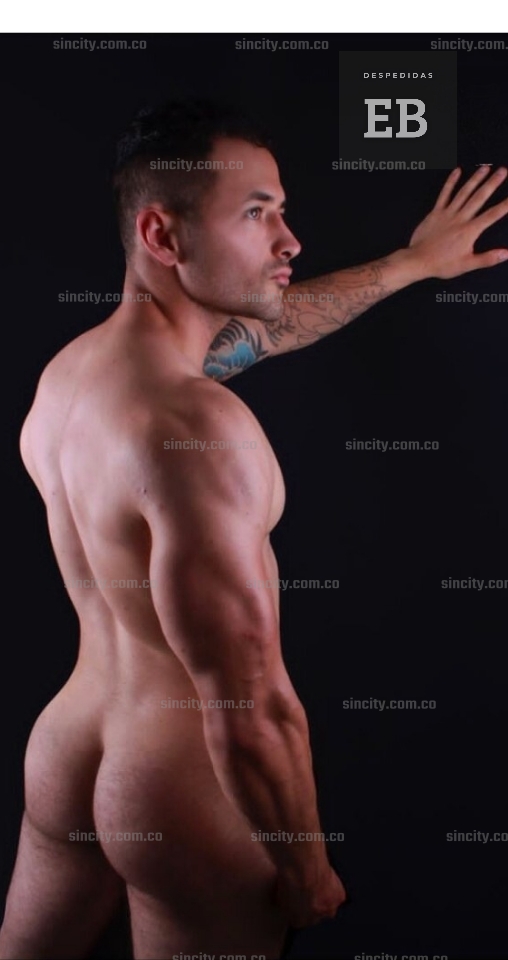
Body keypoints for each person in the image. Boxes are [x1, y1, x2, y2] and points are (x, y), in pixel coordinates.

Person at [2, 99, 507, 960]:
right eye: (256, 214)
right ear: (163, 236)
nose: (289, 240)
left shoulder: (76, 374)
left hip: (67, 753)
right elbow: (251, 698)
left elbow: (265, 332)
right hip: (177, 786)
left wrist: (411, 264)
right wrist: (305, 866)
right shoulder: (200, 429)